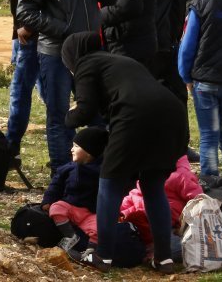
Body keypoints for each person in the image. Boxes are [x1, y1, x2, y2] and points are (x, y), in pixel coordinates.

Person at [63, 32, 186, 275]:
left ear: (71, 56)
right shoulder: (119, 61)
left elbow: (85, 111)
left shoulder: (86, 63)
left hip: (134, 117)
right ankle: (163, 259)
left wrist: (68, 116)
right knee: (153, 187)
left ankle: (102, 255)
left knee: (109, 186)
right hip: (173, 116)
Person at [16, 0, 116, 175]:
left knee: (97, 111)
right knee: (60, 116)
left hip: (90, 53)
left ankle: (99, 167)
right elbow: (25, 11)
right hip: (55, 52)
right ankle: (62, 173)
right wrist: (65, 29)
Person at [178, 0, 222, 177]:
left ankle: (210, 183)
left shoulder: (199, 5)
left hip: (205, 81)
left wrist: (186, 77)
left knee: (209, 135)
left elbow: (187, 45)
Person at [6, 0, 51, 159]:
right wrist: (17, 30)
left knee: (20, 89)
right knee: (44, 90)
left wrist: (29, 27)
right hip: (24, 32)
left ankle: (10, 145)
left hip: (38, 34)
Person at [41, 127, 108, 252]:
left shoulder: (102, 172)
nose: (71, 149)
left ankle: (90, 253)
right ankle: (70, 236)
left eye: (76, 146)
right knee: (56, 208)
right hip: (70, 207)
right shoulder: (68, 168)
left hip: (90, 212)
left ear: (89, 151)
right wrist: (48, 200)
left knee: (99, 228)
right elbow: (55, 185)